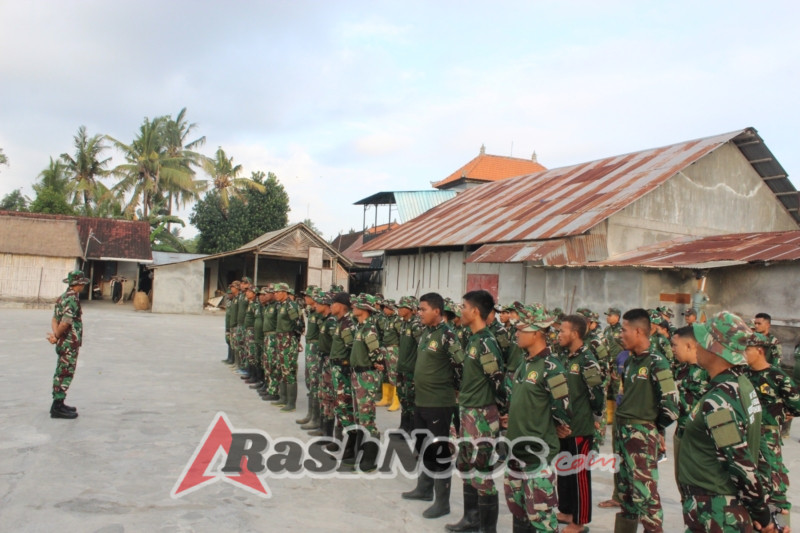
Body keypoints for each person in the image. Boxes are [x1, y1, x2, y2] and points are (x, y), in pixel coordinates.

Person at [678, 312, 780, 532]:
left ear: (715, 348)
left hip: (715, 509)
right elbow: (759, 450)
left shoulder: (719, 401)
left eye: (701, 341)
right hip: (722, 506)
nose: (696, 345)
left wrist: (761, 513)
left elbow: (739, 461)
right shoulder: (741, 384)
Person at [502, 305, 570, 532]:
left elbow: (564, 407)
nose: (517, 333)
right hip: (515, 451)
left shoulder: (551, 367)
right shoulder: (525, 363)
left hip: (537, 456)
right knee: (519, 512)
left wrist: (558, 425)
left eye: (522, 329)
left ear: (538, 332)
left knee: (541, 519)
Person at [447, 290, 507, 533]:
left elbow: (498, 380)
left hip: (482, 415)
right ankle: (471, 519)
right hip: (468, 411)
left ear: (474, 311)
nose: (460, 311)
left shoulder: (486, 342)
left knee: (481, 471)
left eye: (463, 306)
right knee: (466, 466)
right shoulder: (473, 339)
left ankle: (486, 528)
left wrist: (501, 413)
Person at [614, 308, 678, 533]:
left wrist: (654, 427)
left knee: (645, 494)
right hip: (623, 432)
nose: (620, 335)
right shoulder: (631, 361)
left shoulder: (657, 362)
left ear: (639, 331)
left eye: (624, 330)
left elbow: (671, 405)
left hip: (641, 434)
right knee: (625, 491)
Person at [401, 292, 464, 520]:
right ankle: (424, 489)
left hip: (439, 403)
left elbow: (461, 365)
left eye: (423, 309)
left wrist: (453, 388)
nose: (420, 313)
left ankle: (442, 502)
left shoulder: (448, 335)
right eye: (419, 309)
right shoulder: (427, 333)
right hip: (421, 400)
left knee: (439, 451)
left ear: (437, 311)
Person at [556, 314, 605, 532]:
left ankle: (580, 520)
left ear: (574, 334)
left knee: (579, 477)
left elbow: (597, 395)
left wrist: (594, 419)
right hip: (563, 427)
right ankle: (566, 511)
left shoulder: (587, 360)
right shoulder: (566, 357)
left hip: (580, 427)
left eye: (562, 331)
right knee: (564, 472)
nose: (558, 335)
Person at [745, 332, 800, 520]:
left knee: (774, 483)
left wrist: (781, 413)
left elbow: (797, 405)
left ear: (759, 351)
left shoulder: (778, 377)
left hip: (768, 436)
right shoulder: (741, 374)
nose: (743, 353)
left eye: (747, 349)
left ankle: (781, 524)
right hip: (744, 435)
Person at [348, 294, 386, 471]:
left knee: (367, 418)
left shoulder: (369, 329)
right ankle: (360, 455)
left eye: (357, 305)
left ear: (365, 309)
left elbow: (376, 353)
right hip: (357, 375)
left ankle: (369, 461)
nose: (353, 307)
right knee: (359, 417)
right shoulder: (360, 327)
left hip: (366, 376)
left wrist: (376, 366)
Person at [669, 326, 709, 491]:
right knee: (682, 483)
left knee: (698, 486)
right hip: (681, 432)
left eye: (675, 345)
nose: (672, 349)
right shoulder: (680, 369)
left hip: (699, 437)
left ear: (689, 345)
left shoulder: (708, 372)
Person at [48, 270, 91, 419]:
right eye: (82, 283)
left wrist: (55, 336)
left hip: (63, 342)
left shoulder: (62, 297)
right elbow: (65, 322)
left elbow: (55, 319)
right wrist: (58, 335)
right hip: (69, 343)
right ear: (78, 284)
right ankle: (57, 406)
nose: (83, 286)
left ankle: (59, 403)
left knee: (61, 370)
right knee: (66, 372)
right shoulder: (72, 299)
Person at [329, 292, 358, 461]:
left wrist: (346, 369)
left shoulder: (347, 324)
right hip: (337, 370)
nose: (331, 306)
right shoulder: (341, 322)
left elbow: (351, 348)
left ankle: (349, 449)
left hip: (343, 371)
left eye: (333, 303)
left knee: (346, 409)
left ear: (341, 305)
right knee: (339, 408)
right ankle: (341, 443)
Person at [308, 291, 337, 436]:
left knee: (328, 395)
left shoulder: (332, 322)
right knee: (322, 393)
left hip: (329, 361)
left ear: (326, 305)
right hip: (322, 359)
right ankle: (322, 425)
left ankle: (328, 431)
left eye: (319, 303)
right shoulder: (325, 320)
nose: (316, 305)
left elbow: (335, 344)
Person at [395, 296, 423, 435]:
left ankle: (412, 427)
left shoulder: (415, 324)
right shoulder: (403, 324)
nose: (399, 309)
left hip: (411, 368)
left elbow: (421, 346)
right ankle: (403, 426)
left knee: (411, 398)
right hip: (402, 367)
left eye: (402, 307)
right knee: (402, 397)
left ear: (411, 309)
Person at [296, 286, 322, 429]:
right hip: (310, 348)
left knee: (315, 382)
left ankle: (316, 419)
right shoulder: (311, 311)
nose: (305, 298)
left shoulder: (319, 314)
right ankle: (311, 414)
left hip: (316, 349)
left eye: (308, 296)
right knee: (309, 381)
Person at [273, 282, 301, 412]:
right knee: (281, 368)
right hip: (280, 339)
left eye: (278, 292)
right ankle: (283, 398)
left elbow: (299, 325)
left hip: (288, 340)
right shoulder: (281, 305)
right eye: (275, 292)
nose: (275, 294)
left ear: (285, 292)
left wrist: (295, 340)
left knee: (289, 370)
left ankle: (291, 403)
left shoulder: (291, 306)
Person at [376, 298, 402, 412]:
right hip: (385, 348)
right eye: (384, 307)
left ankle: (396, 400)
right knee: (385, 374)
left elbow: (401, 336)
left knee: (394, 374)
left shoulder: (397, 320)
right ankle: (386, 398)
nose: (384, 309)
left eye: (387, 307)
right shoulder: (386, 320)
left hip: (394, 349)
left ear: (392, 308)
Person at [604, 308, 624, 427]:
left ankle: (618, 416)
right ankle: (609, 417)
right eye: (607, 315)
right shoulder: (607, 330)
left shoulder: (621, 330)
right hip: (608, 364)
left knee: (617, 389)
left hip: (618, 364)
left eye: (610, 315)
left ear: (617, 317)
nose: (608, 317)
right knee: (609, 390)